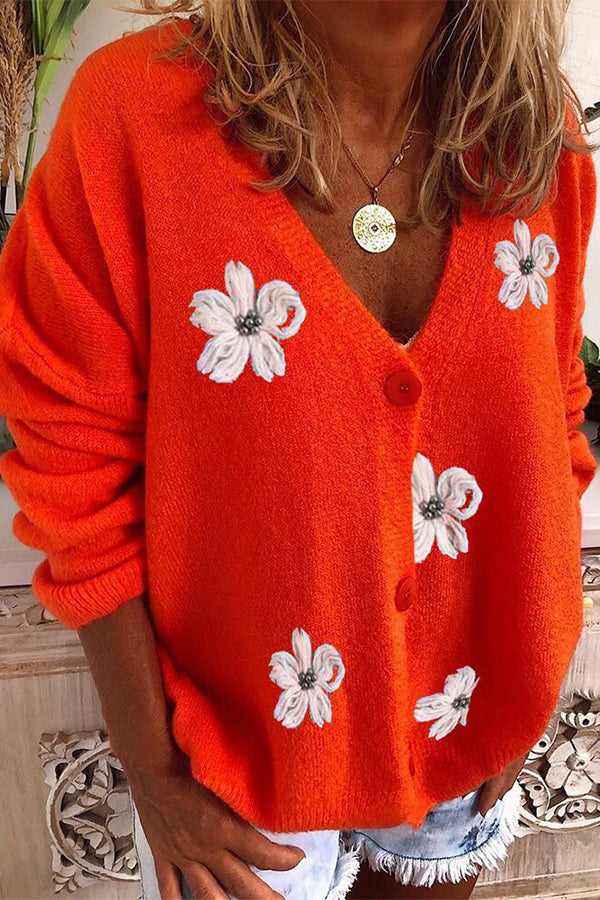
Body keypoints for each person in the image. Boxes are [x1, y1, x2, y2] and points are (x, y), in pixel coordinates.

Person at [0, 1, 596, 898]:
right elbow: (71, 460)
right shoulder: (134, 118)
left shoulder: (533, 128)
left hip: (464, 716)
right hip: (229, 757)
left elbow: (553, 403)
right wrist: (152, 771)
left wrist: (530, 665)